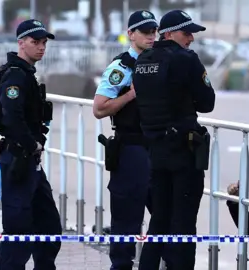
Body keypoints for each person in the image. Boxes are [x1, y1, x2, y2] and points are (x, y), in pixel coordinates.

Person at [133, 9, 215, 270]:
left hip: (155, 152)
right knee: (183, 224)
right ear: (169, 33)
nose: (191, 38)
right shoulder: (186, 60)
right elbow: (207, 103)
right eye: (186, 33)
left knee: (159, 220)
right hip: (183, 153)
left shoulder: (143, 60)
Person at [92, 10, 158, 270]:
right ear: (131, 34)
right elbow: (99, 108)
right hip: (130, 149)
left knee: (165, 216)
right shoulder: (121, 68)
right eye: (145, 31)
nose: (151, 36)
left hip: (156, 149)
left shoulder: (159, 62)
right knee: (127, 220)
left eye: (154, 31)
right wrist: (131, 94)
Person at [0, 19, 61, 269]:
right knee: (18, 229)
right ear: (21, 43)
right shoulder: (14, 76)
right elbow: (11, 118)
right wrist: (32, 144)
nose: (41, 47)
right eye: (35, 42)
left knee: (49, 225)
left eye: (44, 43)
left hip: (30, 160)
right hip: (18, 158)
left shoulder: (26, 74)